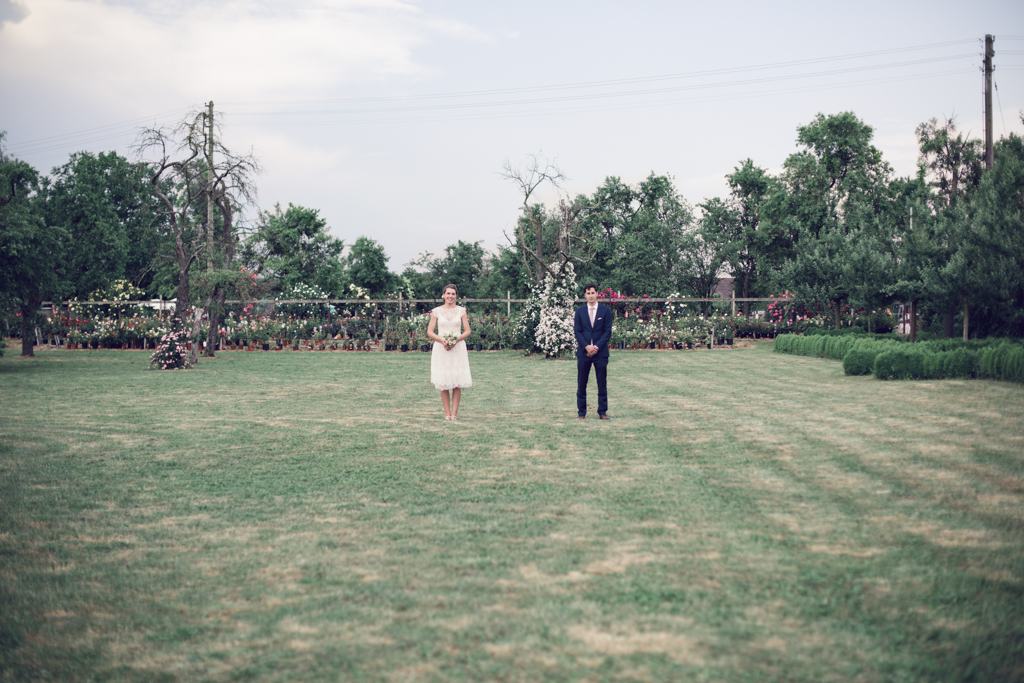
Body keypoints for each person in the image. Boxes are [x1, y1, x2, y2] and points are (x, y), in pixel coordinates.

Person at [426, 284, 472, 420]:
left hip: (458, 348)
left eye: (453, 294)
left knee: (456, 381)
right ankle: (447, 413)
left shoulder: (461, 311)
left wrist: (455, 340)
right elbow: (429, 332)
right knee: (444, 380)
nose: (450, 296)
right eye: (448, 294)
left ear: (456, 296)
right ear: (443, 295)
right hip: (442, 348)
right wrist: (443, 341)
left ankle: (454, 413)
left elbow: (467, 331)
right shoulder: (436, 311)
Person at [573, 283, 613, 420]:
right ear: (585, 295)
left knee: (602, 383)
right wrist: (586, 347)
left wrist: (596, 347)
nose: (591, 295)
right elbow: (577, 331)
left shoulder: (605, 311)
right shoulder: (579, 312)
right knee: (581, 383)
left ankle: (602, 412)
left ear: (597, 294)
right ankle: (581, 413)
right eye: (588, 293)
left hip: (600, 353)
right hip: (583, 353)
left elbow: (607, 332)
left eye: (593, 293)